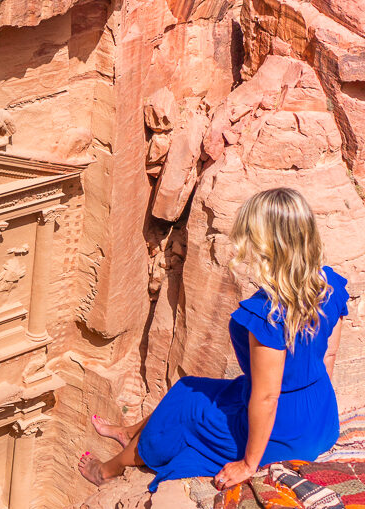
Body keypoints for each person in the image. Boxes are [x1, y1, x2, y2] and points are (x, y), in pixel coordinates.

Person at [79, 187, 349, 492]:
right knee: (189, 386)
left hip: (283, 432)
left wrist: (248, 465)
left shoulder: (267, 315)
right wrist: (310, 404)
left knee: (185, 411)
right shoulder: (330, 285)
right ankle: (129, 432)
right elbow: (329, 357)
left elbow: (267, 398)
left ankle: (108, 469)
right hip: (322, 420)